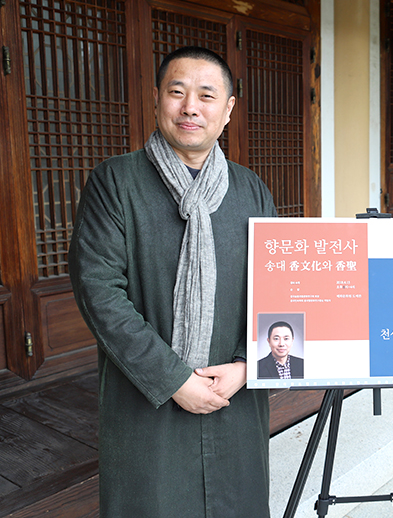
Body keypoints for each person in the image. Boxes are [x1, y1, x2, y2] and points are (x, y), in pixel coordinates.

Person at [69, 46, 276, 517]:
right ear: (156, 98)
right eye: (177, 92)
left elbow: (277, 288)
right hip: (147, 398)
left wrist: (247, 365)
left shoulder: (251, 189)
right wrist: (173, 378)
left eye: (207, 95)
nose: (190, 107)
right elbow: (98, 290)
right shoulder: (115, 182)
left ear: (228, 109)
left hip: (234, 396)